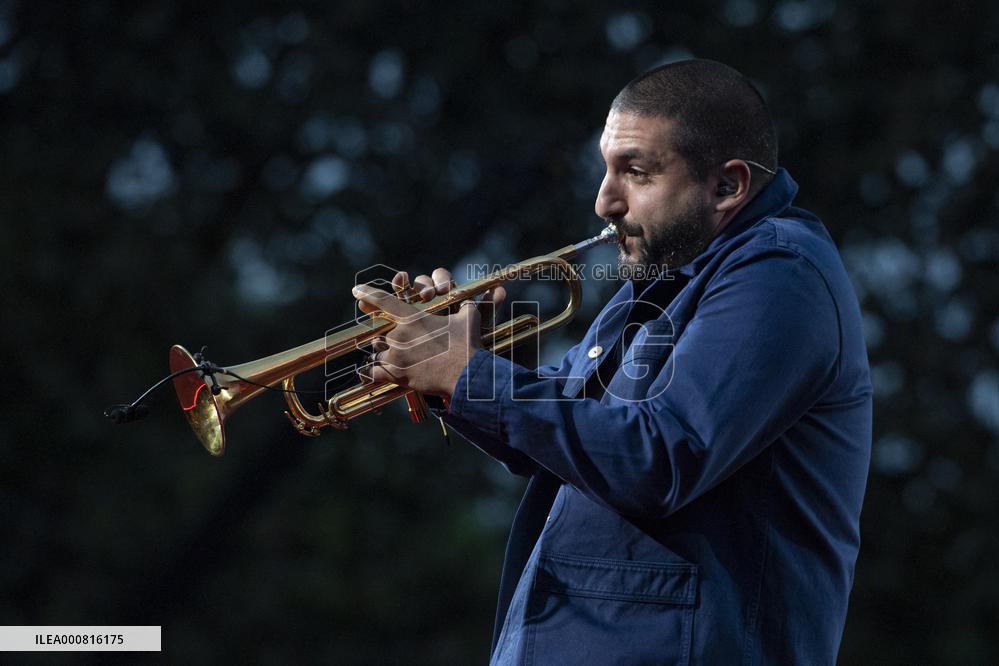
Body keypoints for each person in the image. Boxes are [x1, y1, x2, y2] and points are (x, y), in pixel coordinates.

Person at [352, 59, 872, 665]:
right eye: (606, 170)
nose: (604, 201)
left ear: (727, 186)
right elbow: (575, 436)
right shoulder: (663, 281)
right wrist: (469, 364)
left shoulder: (782, 275)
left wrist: (470, 374)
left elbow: (660, 456)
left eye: (636, 172)